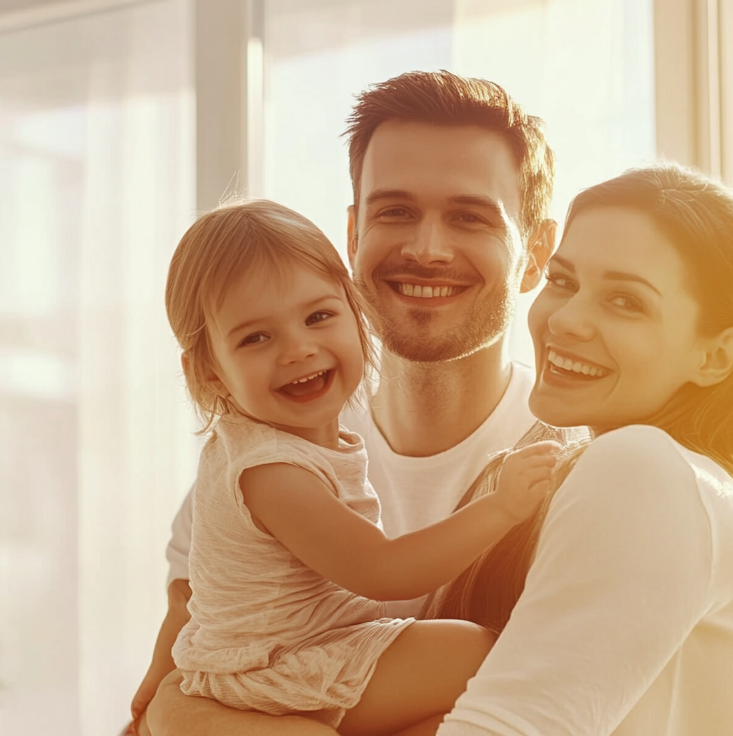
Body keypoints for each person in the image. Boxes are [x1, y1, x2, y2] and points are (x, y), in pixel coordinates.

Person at [128, 70, 569, 736]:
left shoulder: (575, 461)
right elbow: (167, 691)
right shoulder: (270, 444)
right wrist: (171, 714)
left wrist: (182, 716)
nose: (426, 248)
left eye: (468, 217)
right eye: (395, 211)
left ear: (535, 254)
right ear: (354, 237)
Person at [425, 164, 733, 735]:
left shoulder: (645, 471)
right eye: (563, 281)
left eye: (625, 301)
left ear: (716, 356)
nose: (568, 320)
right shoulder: (706, 493)